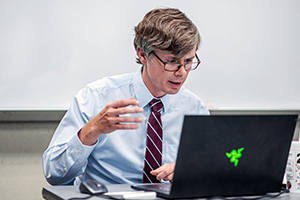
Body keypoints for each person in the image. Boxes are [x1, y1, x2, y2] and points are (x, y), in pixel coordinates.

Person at [42, 7, 209, 186]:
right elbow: (54, 174)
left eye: (188, 61)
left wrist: (190, 169)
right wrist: (91, 131)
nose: (182, 72)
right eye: (172, 62)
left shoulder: (194, 108)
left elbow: (213, 171)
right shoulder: (97, 97)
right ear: (142, 54)